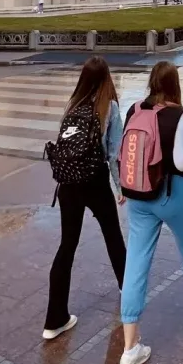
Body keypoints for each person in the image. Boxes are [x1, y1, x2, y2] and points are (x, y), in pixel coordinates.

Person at [117, 62, 183, 364]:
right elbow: (181, 162)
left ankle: (129, 348)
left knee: (135, 264)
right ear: (175, 84)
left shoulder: (135, 109)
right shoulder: (176, 115)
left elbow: (127, 153)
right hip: (172, 194)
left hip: (138, 195)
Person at [44, 57, 127, 341]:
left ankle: (54, 320)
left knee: (67, 246)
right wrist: (120, 188)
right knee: (113, 236)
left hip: (68, 183)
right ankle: (127, 289)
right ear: (106, 78)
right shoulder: (109, 107)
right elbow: (114, 153)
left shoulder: (73, 104)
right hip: (94, 180)